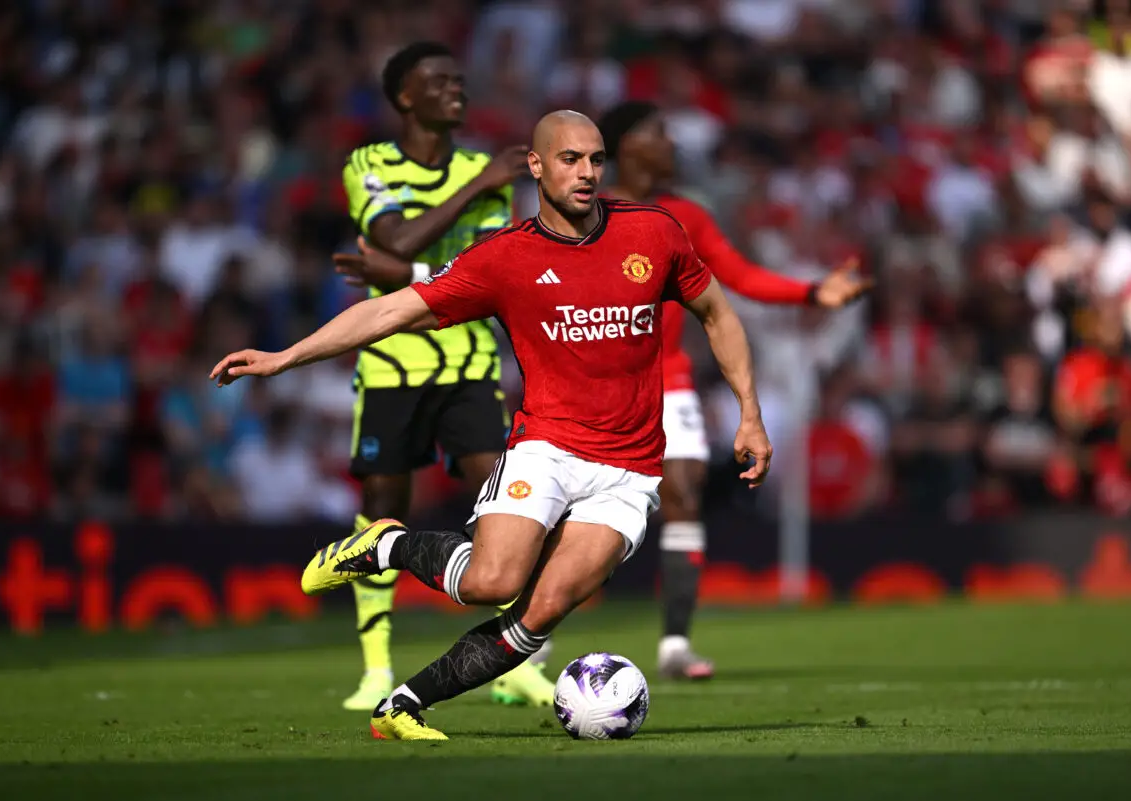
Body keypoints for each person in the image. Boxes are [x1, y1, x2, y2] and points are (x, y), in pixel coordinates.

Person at [210, 110, 772, 740]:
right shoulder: (505, 258)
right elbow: (393, 310)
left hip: (631, 471)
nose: (586, 172)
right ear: (536, 165)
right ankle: (385, 545)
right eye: (569, 159)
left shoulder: (653, 232)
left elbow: (717, 312)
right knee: (490, 582)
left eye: (595, 158)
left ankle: (401, 705)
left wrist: (748, 413)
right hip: (546, 450)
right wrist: (287, 356)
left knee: (542, 612)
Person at [596, 100, 871, 679]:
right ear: (624, 147)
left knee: (685, 494)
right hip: (591, 382)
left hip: (666, 377)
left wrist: (811, 292)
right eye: (658, 132)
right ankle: (529, 635)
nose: (671, 143)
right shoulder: (585, 212)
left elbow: (738, 275)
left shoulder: (686, 215)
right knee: (573, 510)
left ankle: (674, 645)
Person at [329, 41, 548, 711]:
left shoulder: (488, 168)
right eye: (440, 82)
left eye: (460, 80)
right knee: (382, 507)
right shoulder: (368, 164)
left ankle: (511, 659)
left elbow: (482, 267)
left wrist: (415, 274)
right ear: (405, 98)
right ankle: (375, 666)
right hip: (392, 360)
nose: (457, 90)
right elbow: (392, 240)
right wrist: (475, 190)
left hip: (469, 362)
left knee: (506, 502)